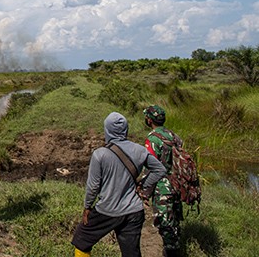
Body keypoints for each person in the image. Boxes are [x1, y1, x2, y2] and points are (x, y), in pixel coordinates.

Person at [72, 112, 167, 257]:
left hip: (107, 210)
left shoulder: (100, 154)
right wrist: (143, 184)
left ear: (107, 130)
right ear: (126, 130)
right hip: (134, 211)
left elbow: (93, 186)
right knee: (131, 253)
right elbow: (160, 169)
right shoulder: (140, 150)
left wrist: (87, 207)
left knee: (81, 239)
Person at [143, 105, 183, 257]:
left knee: (165, 224)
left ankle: (171, 252)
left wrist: (146, 190)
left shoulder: (152, 138)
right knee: (175, 221)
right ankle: (175, 248)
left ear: (149, 119)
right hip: (177, 184)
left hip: (162, 186)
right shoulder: (174, 136)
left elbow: (150, 166)